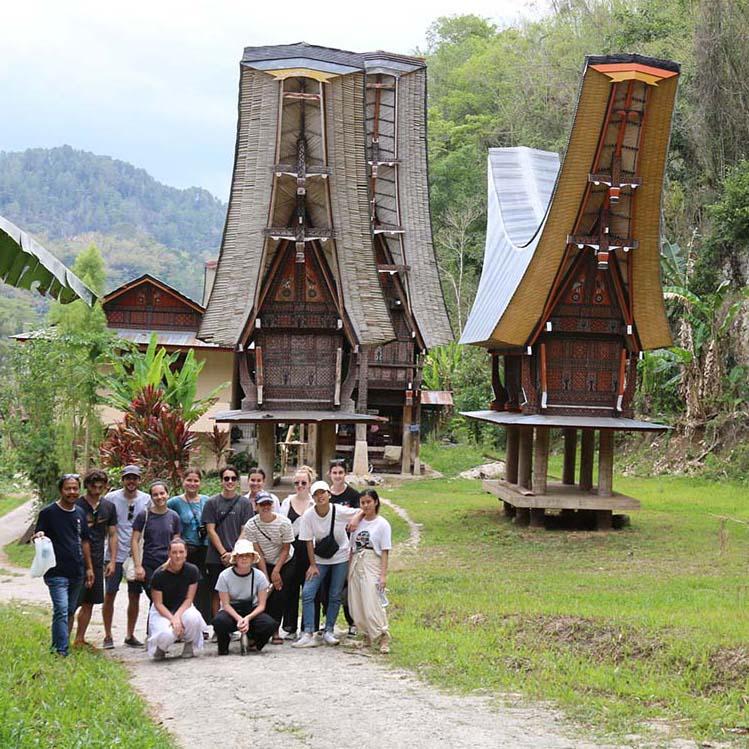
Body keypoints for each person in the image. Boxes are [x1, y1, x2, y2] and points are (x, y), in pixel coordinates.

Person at [293, 480, 362, 648]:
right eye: (316, 494)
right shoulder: (309, 515)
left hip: (340, 556)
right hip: (320, 558)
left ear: (329, 494)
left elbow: (360, 511)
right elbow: (308, 541)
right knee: (308, 592)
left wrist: (354, 521)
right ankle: (308, 631)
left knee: (335, 594)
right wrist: (313, 564)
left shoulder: (338, 510)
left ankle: (329, 629)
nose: (320, 497)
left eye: (322, 493)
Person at [32, 474, 94, 656]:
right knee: (61, 608)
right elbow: (38, 535)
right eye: (68, 488)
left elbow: (85, 542)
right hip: (55, 571)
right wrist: (39, 536)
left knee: (69, 610)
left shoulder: (80, 513)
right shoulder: (48, 513)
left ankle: (57, 645)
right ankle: (61, 650)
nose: (72, 492)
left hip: (77, 571)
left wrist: (89, 567)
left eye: (75, 488)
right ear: (61, 490)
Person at [102, 465, 150, 648]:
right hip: (113, 553)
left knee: (134, 595)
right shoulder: (111, 498)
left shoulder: (147, 499)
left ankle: (130, 634)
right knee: (110, 594)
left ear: (139, 480)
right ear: (122, 479)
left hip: (136, 554)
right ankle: (107, 635)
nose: (131, 482)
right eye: (128, 478)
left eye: (135, 478)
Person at [241, 490, 295, 644]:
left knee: (279, 594)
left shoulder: (284, 522)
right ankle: (258, 630)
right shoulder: (251, 525)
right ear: (256, 506)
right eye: (262, 504)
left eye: (268, 504)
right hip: (262, 560)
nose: (265, 507)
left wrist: (276, 571)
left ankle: (276, 630)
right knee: (264, 593)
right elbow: (258, 551)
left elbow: (286, 548)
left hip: (285, 561)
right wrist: (265, 575)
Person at [74, 469, 118, 648]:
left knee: (89, 601)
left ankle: (79, 639)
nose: (97, 489)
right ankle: (63, 640)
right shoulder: (76, 505)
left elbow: (113, 534)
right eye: (94, 485)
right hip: (76, 558)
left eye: (101, 486)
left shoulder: (108, 506)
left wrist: (113, 560)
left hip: (99, 557)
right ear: (87, 486)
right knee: (73, 602)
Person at [202, 465, 253, 619]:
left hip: (239, 556)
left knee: (239, 593)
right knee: (217, 592)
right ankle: (218, 628)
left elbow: (246, 529)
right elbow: (210, 530)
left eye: (233, 478)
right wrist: (224, 553)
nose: (229, 481)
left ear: (237, 481)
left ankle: (239, 625)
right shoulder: (212, 503)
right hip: (216, 556)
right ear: (221, 481)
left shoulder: (244, 503)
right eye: (226, 478)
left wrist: (235, 553)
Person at [212, 539, 277, 655]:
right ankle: (223, 645)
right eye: (241, 555)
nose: (244, 558)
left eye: (248, 555)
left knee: (270, 624)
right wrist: (239, 618)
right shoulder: (224, 576)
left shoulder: (259, 576)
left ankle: (254, 643)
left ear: (253, 558)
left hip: (251, 610)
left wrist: (247, 618)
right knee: (219, 621)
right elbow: (225, 604)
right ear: (235, 558)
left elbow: (262, 605)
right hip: (231, 611)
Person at [348, 489, 392, 654]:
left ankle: (383, 635)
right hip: (357, 561)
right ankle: (366, 635)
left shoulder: (382, 524)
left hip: (372, 560)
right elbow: (352, 548)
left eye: (368, 502)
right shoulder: (357, 523)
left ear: (376, 502)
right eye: (363, 502)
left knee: (372, 600)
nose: (366, 505)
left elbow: (385, 551)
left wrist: (383, 575)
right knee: (357, 601)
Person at [148, 537, 207, 660]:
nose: (178, 556)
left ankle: (189, 643)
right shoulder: (159, 574)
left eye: (181, 552)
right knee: (166, 634)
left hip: (183, 607)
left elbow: (189, 599)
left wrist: (177, 617)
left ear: (186, 553)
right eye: (174, 552)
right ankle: (161, 648)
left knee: (193, 618)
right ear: (169, 553)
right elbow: (158, 603)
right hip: (163, 610)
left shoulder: (192, 571)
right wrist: (173, 619)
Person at [167, 468, 211, 622]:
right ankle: (179, 620)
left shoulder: (207, 500)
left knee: (203, 587)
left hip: (204, 548)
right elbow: (168, 523)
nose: (192, 483)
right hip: (185, 550)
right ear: (183, 481)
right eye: (189, 480)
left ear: (200, 482)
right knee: (183, 586)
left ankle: (203, 623)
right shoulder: (174, 502)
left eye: (196, 480)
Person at [279, 466, 315, 639]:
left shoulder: (315, 503)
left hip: (310, 551)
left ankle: (309, 626)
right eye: (297, 483)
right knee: (291, 589)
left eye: (303, 482)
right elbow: (281, 526)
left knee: (309, 590)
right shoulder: (287, 502)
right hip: (292, 551)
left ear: (310, 484)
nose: (300, 485)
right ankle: (290, 626)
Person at [326, 459, 360, 634]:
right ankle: (327, 622)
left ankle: (352, 622)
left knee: (346, 586)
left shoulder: (353, 495)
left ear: (345, 474)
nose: (338, 476)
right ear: (329, 474)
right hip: (327, 547)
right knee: (327, 585)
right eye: (334, 472)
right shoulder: (325, 494)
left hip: (347, 546)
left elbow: (363, 510)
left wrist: (356, 517)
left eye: (341, 472)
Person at [132, 480, 182, 597]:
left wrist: (173, 563)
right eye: (155, 494)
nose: (159, 497)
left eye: (162, 493)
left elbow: (177, 543)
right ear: (151, 497)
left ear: (167, 494)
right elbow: (134, 541)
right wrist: (138, 566)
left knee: (168, 598)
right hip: (149, 564)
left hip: (168, 564)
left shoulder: (174, 516)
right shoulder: (144, 516)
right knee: (155, 598)